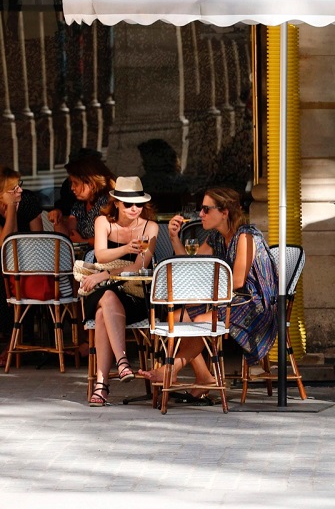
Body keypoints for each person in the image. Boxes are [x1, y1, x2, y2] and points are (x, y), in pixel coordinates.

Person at [141, 187, 279, 402]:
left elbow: (239, 281)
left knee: (203, 319)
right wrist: (174, 238)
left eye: (206, 209)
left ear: (224, 212)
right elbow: (190, 266)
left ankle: (171, 369)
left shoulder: (246, 236)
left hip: (254, 305)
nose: (200, 214)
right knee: (178, 317)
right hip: (227, 300)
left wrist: (206, 291)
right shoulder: (215, 237)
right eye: (200, 209)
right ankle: (205, 378)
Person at [78, 177, 157, 406]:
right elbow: (101, 255)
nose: (134, 209)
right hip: (102, 290)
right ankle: (122, 362)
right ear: (116, 203)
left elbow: (140, 266)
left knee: (105, 309)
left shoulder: (149, 227)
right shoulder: (103, 222)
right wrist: (126, 248)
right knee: (107, 297)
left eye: (139, 204)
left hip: (133, 294)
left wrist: (104, 275)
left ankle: (102, 385)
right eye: (128, 204)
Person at [0, 168, 44, 368]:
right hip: (7, 266)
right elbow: (5, 245)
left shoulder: (28, 203)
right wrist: (10, 211)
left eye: (20, 185)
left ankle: (14, 340)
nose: (19, 190)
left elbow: (40, 239)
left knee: (15, 281)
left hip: (31, 263)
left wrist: (14, 208)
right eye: (13, 188)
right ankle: (13, 338)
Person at [50, 157, 116, 248]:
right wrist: (57, 221)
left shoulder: (107, 204)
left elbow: (109, 240)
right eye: (71, 183)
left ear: (91, 184)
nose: (72, 188)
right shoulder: (79, 206)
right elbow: (68, 236)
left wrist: (83, 241)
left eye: (76, 183)